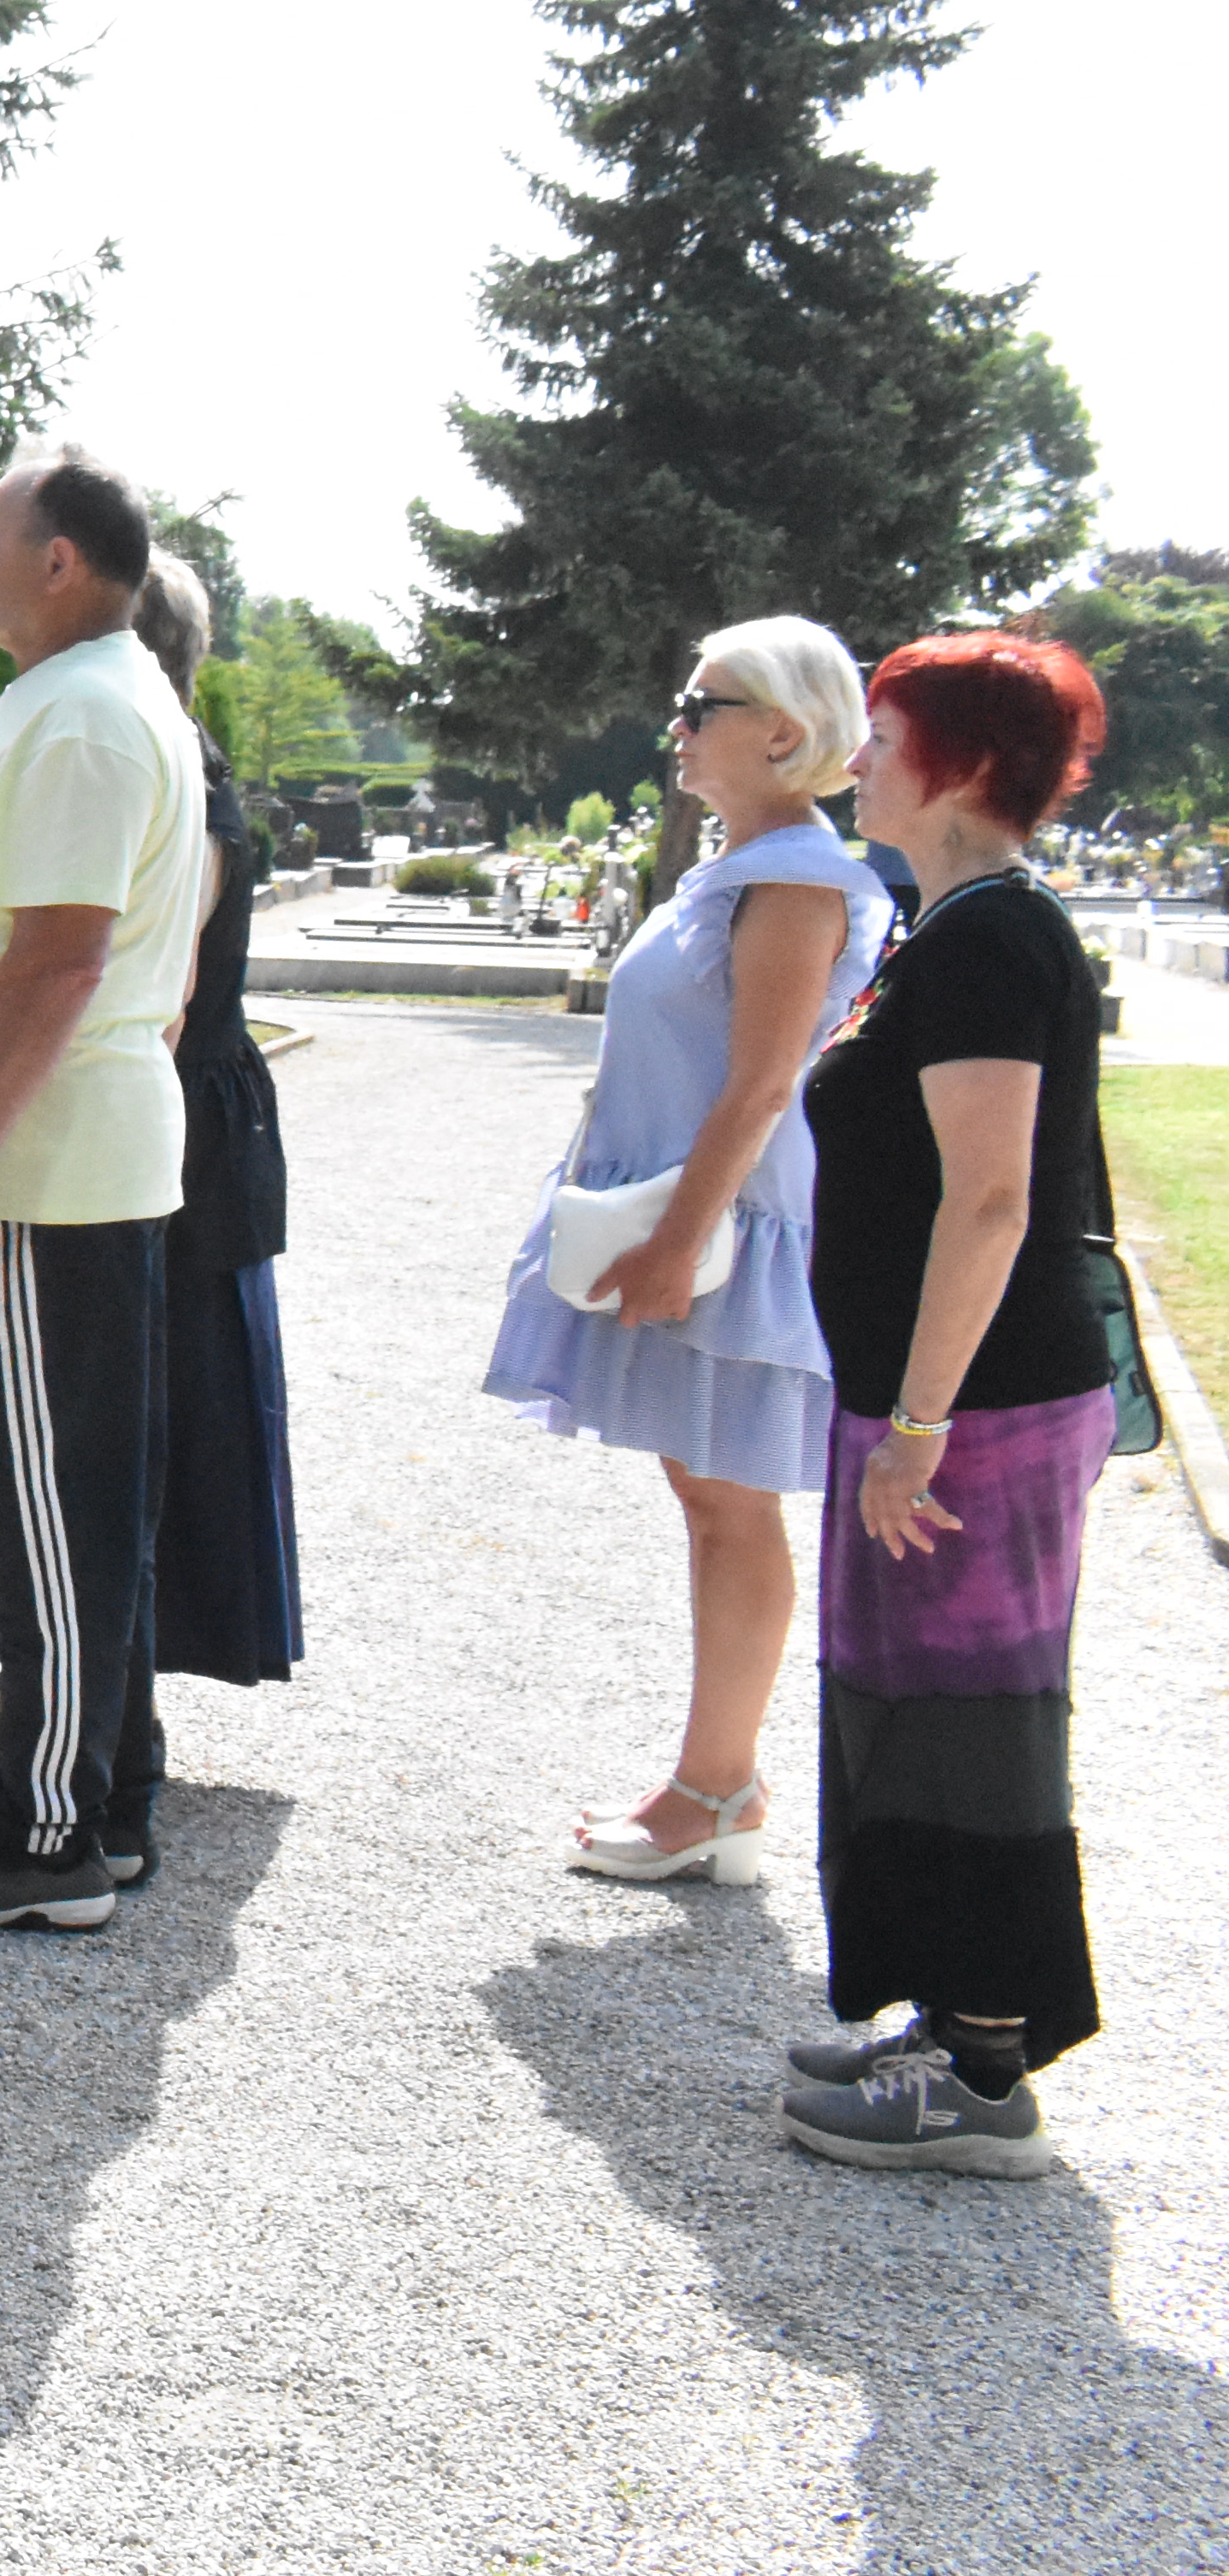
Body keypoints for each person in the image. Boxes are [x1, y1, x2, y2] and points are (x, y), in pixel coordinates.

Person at [778, 633, 1118, 2177]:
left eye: (883, 731)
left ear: (962, 760)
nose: (857, 758)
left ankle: (986, 2072)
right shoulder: (956, 924)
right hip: (937, 1403)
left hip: (972, 1415)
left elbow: (989, 1203)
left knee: (972, 1731)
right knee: (907, 1719)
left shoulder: (989, 940)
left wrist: (919, 1427)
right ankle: (941, 2016)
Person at [473, 620, 887, 1884]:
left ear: (785, 729)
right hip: (691, 1214)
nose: (679, 728)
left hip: (726, 1227)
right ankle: (716, 1785)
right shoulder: (739, 864)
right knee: (708, 1497)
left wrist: (679, 1239)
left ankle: (718, 1789)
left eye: (702, 705)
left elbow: (764, 1087)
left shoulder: (797, 875)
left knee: (727, 1502)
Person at [0, 443, 207, 1932]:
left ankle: (49, 1830)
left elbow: (63, 958)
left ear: (63, 560)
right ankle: (88, 1778)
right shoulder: (79, 700)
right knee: (43, 1497)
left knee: (46, 1511)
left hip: (38, 1171)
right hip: (54, 1159)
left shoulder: (84, 717)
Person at [127, 558, 310, 1700]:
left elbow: (164, 992)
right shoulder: (172, 759)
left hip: (181, 1131)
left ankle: (116, 1703)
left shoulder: (180, 772)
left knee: (169, 1416)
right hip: (188, 1117)